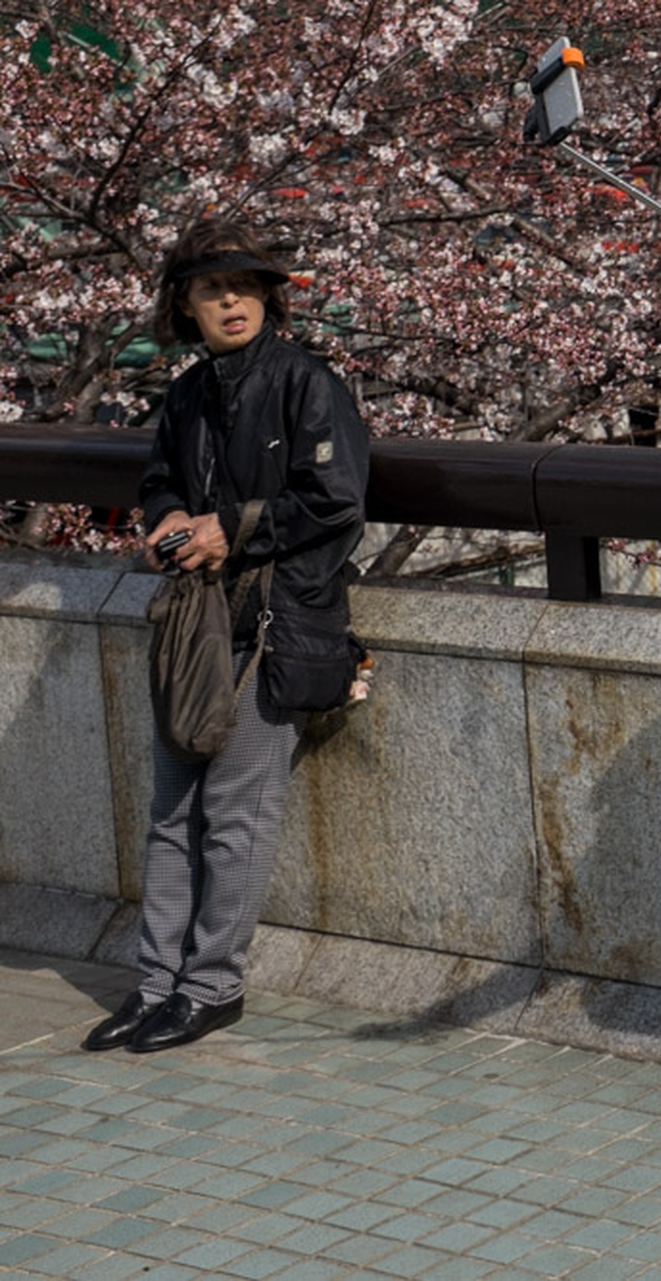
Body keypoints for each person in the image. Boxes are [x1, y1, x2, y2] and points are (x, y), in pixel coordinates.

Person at [83, 218, 369, 1055]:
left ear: (268, 298)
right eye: (212, 291)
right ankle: (154, 983)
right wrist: (169, 518)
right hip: (198, 625)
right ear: (188, 307)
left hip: (280, 626)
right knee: (173, 811)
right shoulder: (185, 393)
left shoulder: (307, 383)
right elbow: (161, 477)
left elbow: (336, 498)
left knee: (235, 813)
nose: (231, 302)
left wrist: (231, 528)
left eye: (243, 287)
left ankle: (212, 985)